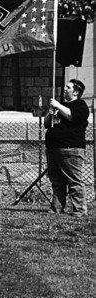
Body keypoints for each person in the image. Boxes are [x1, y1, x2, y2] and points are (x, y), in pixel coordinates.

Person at [45, 79, 89, 217]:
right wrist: (50, 112)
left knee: (74, 180)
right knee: (57, 181)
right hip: (53, 148)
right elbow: (47, 124)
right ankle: (56, 207)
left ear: (76, 92)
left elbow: (72, 117)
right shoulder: (61, 106)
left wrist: (58, 105)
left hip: (70, 148)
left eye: (68, 87)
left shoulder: (80, 105)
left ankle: (79, 210)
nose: (64, 89)